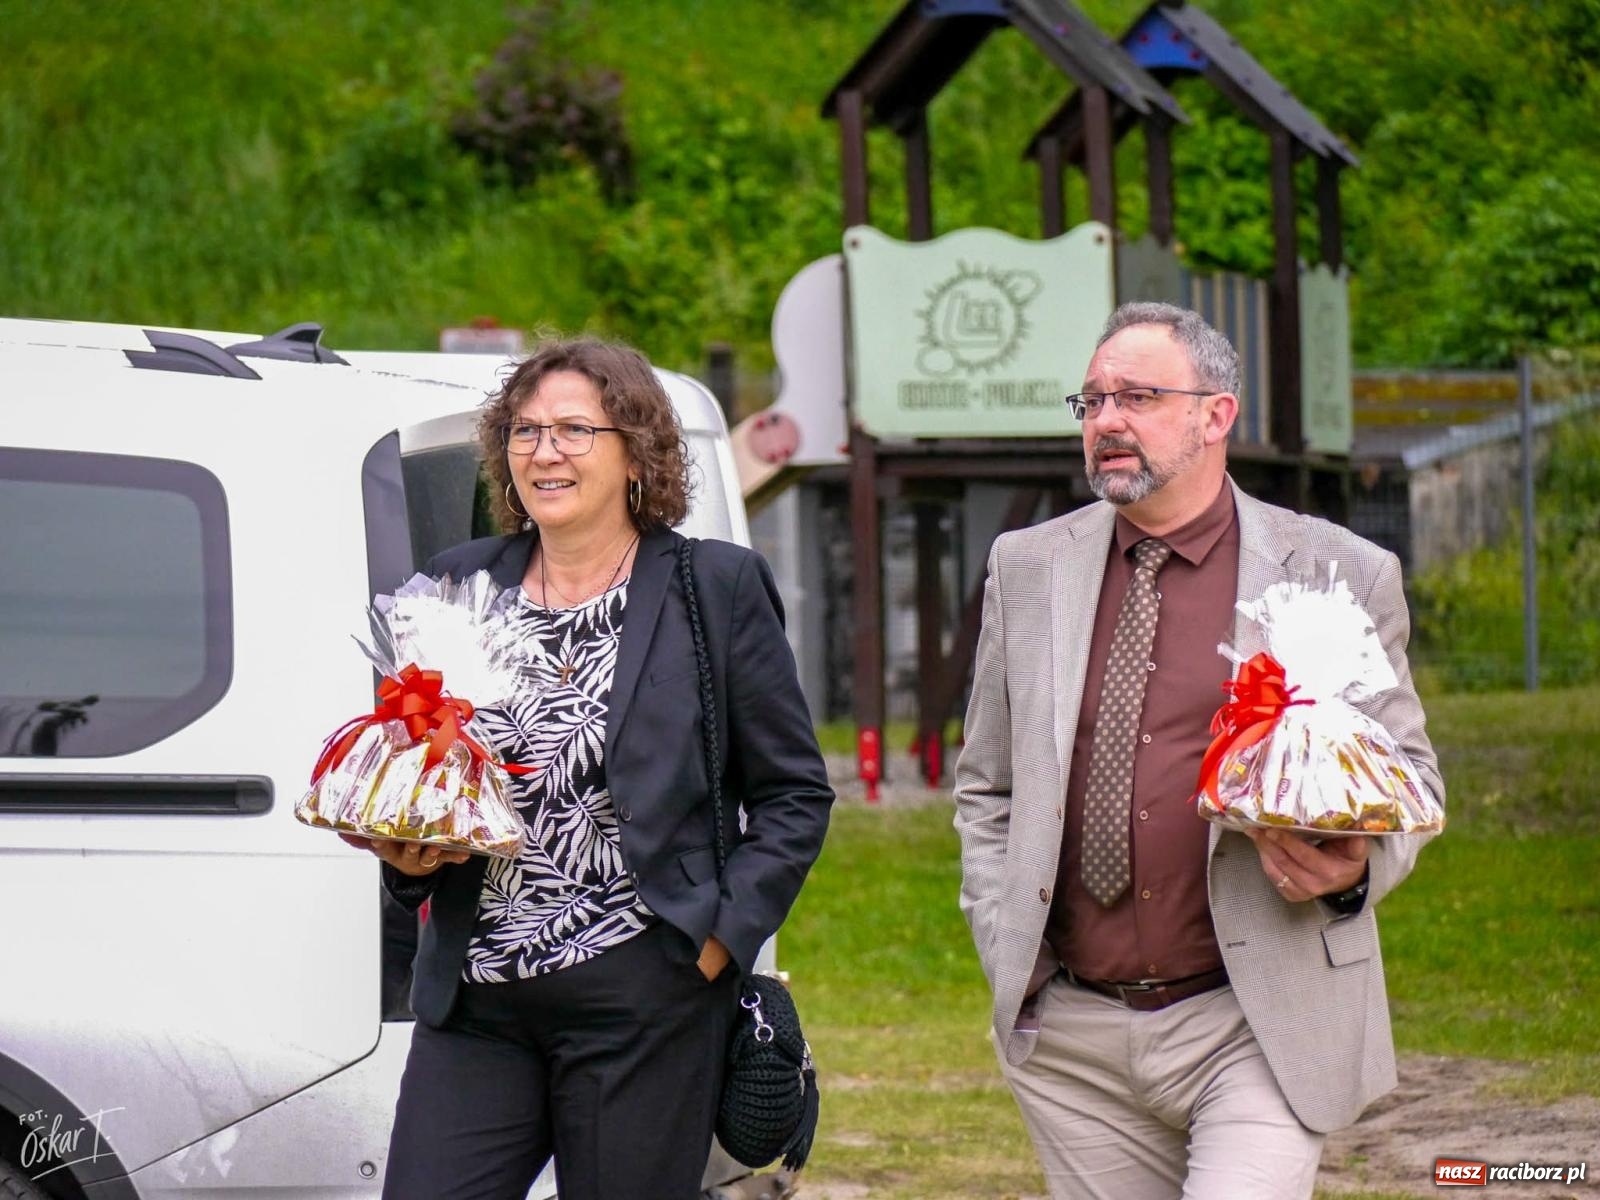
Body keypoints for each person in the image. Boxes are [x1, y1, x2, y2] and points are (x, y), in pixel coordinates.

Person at [953, 302, 1443, 1200]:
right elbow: (987, 783)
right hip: (1073, 1039)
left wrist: (1354, 872)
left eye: (1137, 397)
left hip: (1255, 1015)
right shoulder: (1026, 567)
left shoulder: (1334, 571)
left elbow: (1409, 778)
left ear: (1217, 415)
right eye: (1092, 401)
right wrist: (1002, 935)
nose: (1107, 422)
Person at [342, 337, 834, 1200]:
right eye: (525, 432)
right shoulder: (457, 583)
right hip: (478, 991)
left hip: (643, 991)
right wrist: (404, 853)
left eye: (574, 429)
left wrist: (718, 944)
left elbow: (794, 794)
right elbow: (423, 775)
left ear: (635, 451)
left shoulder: (709, 586)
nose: (545, 451)